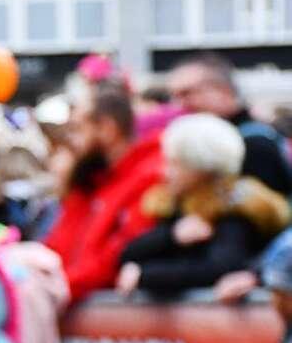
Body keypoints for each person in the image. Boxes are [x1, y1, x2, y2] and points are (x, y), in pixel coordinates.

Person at [117, 114, 290, 295]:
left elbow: (221, 268)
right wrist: (172, 236)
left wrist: (147, 275)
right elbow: (128, 254)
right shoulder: (176, 205)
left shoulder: (233, 208)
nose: (165, 172)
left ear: (201, 169)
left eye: (176, 163)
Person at [43, 83, 164, 301]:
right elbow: (56, 246)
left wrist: (55, 288)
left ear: (107, 128)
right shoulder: (91, 180)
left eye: (78, 129)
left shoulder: (148, 177)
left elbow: (115, 257)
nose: (71, 140)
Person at [170, 52, 292, 197]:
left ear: (224, 91)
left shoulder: (256, 144)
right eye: (175, 96)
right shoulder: (221, 139)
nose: (179, 105)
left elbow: (268, 214)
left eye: (187, 93)